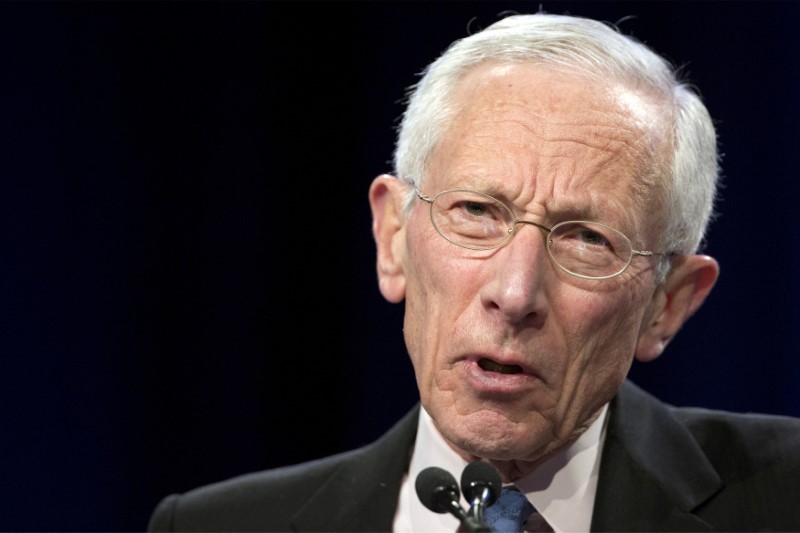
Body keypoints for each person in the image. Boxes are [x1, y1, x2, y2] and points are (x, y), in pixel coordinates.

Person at [147, 11, 800, 533]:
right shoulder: (212, 524)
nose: (514, 294)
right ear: (393, 237)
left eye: (586, 239)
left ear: (668, 303)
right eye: (478, 212)